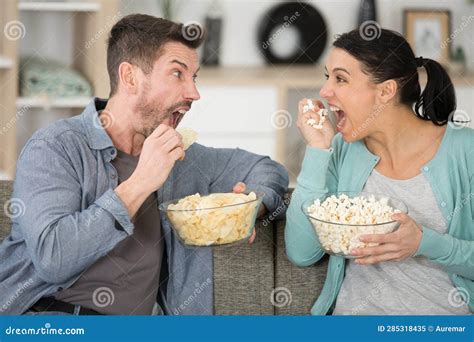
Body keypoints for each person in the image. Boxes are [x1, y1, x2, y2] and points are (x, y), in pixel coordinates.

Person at [0, 14, 288, 316]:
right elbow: (53, 258)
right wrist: (141, 183)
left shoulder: (183, 157)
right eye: (178, 74)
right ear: (130, 78)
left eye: (195, 77)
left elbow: (268, 169)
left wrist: (252, 206)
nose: (194, 93)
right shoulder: (57, 147)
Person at [285, 28, 473, 315]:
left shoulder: (465, 151)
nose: (324, 92)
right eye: (327, 77)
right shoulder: (342, 151)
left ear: (385, 91)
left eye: (341, 79)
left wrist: (426, 243)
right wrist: (318, 149)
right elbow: (302, 253)